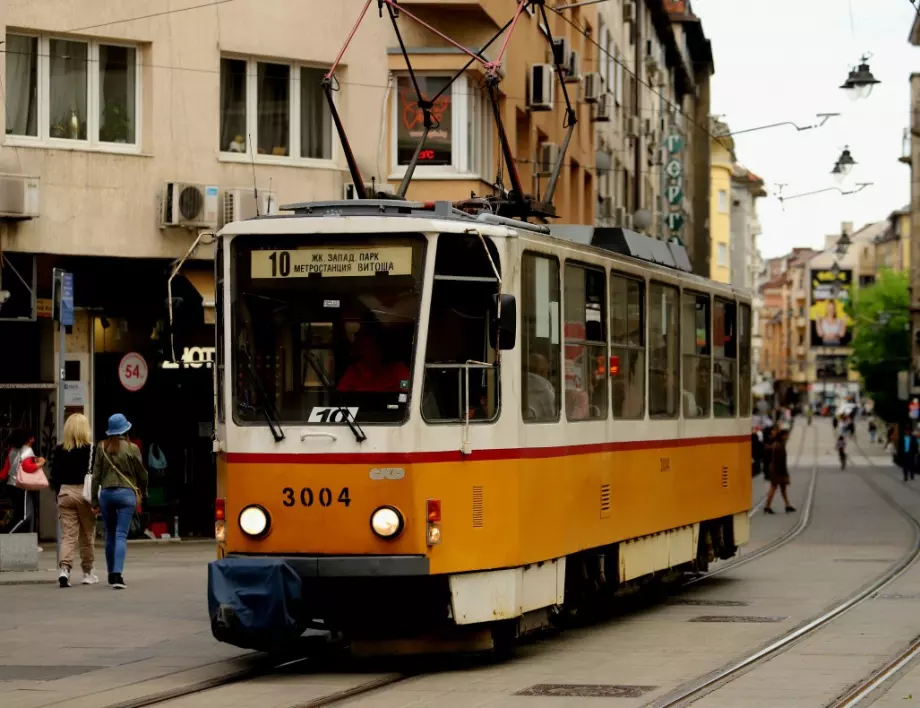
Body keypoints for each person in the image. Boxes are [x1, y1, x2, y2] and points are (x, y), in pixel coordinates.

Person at [92, 414, 148, 589]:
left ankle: (110, 574)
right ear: (126, 430)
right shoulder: (132, 448)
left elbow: (96, 476)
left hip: (107, 495)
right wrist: (143, 491)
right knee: (121, 534)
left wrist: (94, 499)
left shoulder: (101, 447)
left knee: (109, 534)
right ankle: (117, 574)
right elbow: (142, 474)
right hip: (126, 495)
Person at [51, 414, 98, 587]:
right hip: (84, 494)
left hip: (65, 493)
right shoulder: (92, 449)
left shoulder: (59, 449)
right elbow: (96, 475)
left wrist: (59, 495)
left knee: (68, 535)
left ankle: (64, 570)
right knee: (86, 535)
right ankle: (87, 572)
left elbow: (54, 476)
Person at [337, 328, 410, 393]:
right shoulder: (352, 372)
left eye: (372, 347)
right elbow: (340, 398)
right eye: (364, 348)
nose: (368, 352)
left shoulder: (399, 369)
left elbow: (409, 394)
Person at [3, 429, 45, 539]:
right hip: (21, 487)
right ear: (30, 439)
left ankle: (28, 541)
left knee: (20, 514)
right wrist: (41, 463)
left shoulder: (12, 450)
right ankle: (5, 536)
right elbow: (28, 467)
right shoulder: (27, 451)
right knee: (25, 516)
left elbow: (5, 470)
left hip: (10, 485)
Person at [764, 429, 795, 514]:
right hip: (778, 471)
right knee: (774, 488)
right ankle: (767, 506)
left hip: (776, 470)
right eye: (786, 435)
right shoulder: (779, 446)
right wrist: (785, 473)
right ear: (782, 436)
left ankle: (787, 505)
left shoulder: (778, 444)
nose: (787, 436)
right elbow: (780, 461)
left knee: (783, 489)